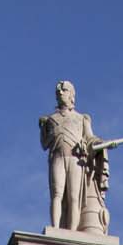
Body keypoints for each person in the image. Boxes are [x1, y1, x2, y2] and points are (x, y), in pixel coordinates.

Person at [39, 80, 94, 231]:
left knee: (74, 196)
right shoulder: (51, 119)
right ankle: (56, 228)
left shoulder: (82, 118)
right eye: (59, 91)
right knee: (57, 194)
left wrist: (97, 144)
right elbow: (44, 144)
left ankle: (72, 231)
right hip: (57, 157)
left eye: (64, 90)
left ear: (72, 95)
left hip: (76, 159)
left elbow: (91, 139)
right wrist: (44, 129)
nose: (60, 92)